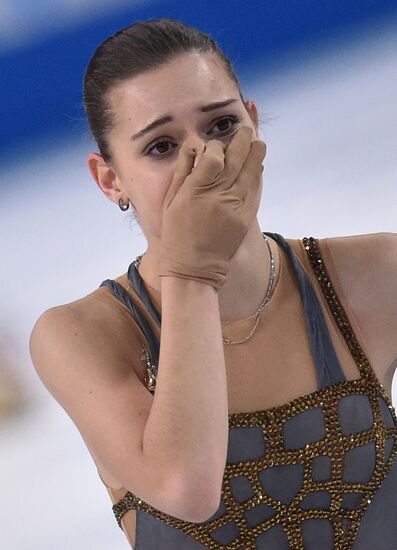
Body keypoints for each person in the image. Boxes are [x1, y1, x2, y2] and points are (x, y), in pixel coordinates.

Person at [29, 17, 397, 550]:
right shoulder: (80, 336)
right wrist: (193, 270)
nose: (204, 157)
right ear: (111, 180)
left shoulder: (373, 274)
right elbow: (185, 489)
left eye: (221, 125)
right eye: (160, 145)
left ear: (253, 122)